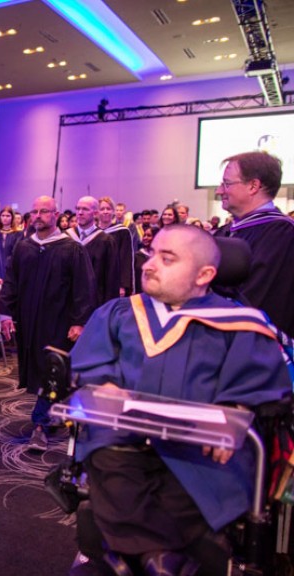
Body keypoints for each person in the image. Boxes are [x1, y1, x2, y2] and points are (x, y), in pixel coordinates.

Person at [69, 225, 291, 573]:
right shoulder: (120, 313)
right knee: (109, 465)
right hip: (123, 439)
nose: (149, 264)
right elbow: (92, 362)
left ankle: (127, 552)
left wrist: (234, 411)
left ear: (204, 274)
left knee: (195, 490)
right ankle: (158, 559)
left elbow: (257, 382)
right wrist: (104, 384)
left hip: (198, 447)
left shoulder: (243, 324)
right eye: (152, 253)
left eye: (167, 258)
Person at [0, 195, 96, 451]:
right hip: (29, 320)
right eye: (35, 211)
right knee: (38, 369)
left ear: (56, 215)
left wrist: (79, 321)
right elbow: (11, 281)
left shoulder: (71, 248)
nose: (39, 216)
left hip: (59, 321)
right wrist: (5, 313)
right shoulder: (24, 247)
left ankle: (39, 425)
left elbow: (84, 288)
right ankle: (54, 412)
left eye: (45, 211)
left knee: (51, 369)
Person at [214, 151, 294, 336]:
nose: (219, 191)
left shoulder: (282, 234)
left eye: (227, 184)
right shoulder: (225, 231)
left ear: (253, 186)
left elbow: (255, 300)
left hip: (256, 349)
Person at [65, 196, 119, 304]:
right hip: (68, 302)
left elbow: (111, 278)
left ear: (95, 213)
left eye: (85, 209)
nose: (80, 213)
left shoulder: (106, 241)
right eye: (78, 208)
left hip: (95, 301)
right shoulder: (66, 238)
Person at [98, 196, 134, 296]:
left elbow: (125, 260)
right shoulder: (93, 233)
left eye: (108, 209)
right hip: (96, 283)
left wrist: (122, 285)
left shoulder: (122, 231)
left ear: (113, 211)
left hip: (114, 282)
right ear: (97, 212)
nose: (105, 212)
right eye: (102, 209)